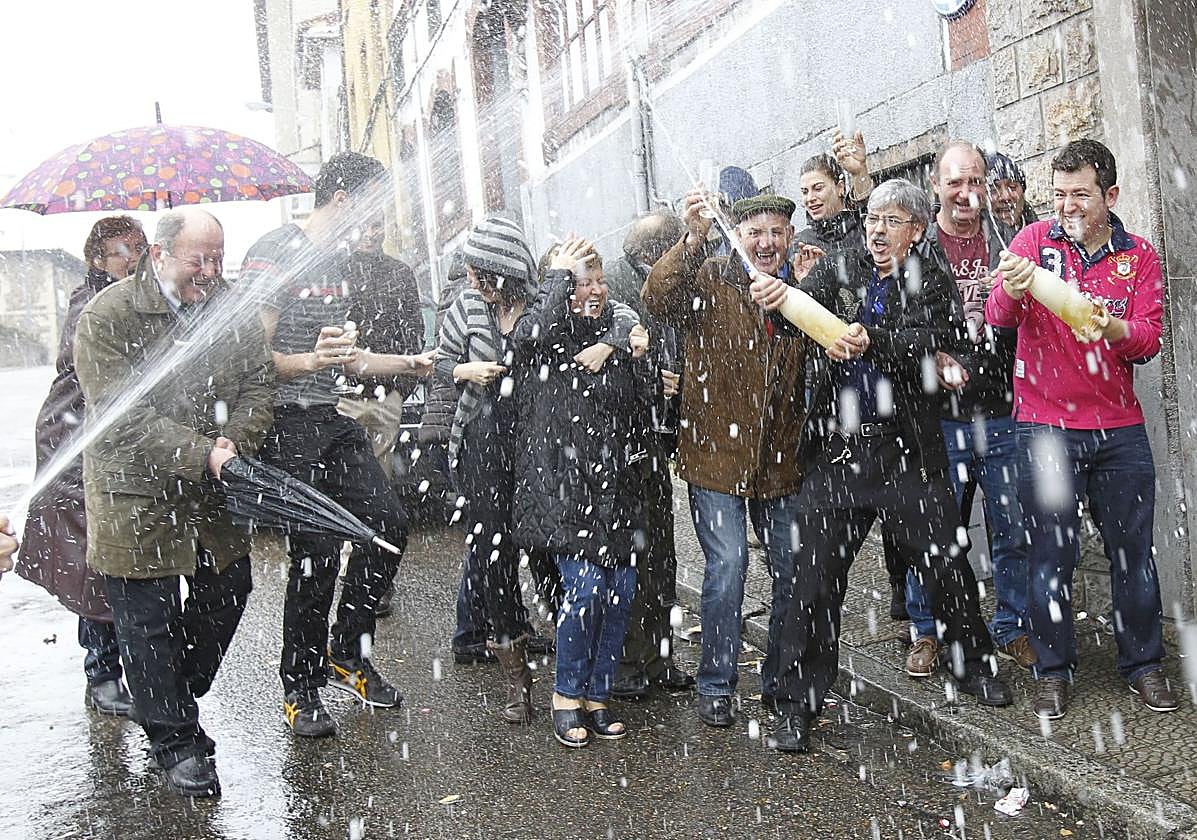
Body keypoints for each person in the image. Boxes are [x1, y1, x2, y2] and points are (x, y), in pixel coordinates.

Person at [765, 179, 1012, 754]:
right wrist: (784, 306)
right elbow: (799, 316)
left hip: (905, 449)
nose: (877, 231)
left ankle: (970, 664)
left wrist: (873, 340)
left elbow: (940, 338)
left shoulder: (931, 276)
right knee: (812, 579)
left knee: (946, 560)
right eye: (873, 218)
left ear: (918, 229)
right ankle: (796, 703)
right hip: (839, 450)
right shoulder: (842, 264)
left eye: (892, 220)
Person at [74, 208, 274, 796]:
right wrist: (203, 452)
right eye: (198, 260)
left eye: (217, 258)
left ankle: (171, 695)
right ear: (158, 256)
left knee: (229, 590)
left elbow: (259, 383)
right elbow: (121, 417)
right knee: (147, 620)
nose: (210, 272)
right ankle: (177, 743)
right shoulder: (107, 316)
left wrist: (235, 438)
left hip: (210, 490)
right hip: (132, 493)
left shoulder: (228, 307)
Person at [242, 152, 434, 738]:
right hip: (286, 422)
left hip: (331, 416)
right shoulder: (275, 251)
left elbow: (347, 358)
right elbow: (251, 356)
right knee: (317, 551)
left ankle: (347, 652)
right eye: (374, 203)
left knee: (387, 526)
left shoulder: (342, 263)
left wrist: (410, 363)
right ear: (346, 200)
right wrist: (308, 362)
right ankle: (299, 685)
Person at [988, 139, 1174, 719]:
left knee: (1133, 554)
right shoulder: (1031, 244)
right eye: (1060, 194)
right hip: (1045, 428)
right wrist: (1013, 289)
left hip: (1119, 430)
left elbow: (1149, 338)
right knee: (1051, 553)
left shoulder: (1138, 257)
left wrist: (1115, 329)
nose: (1067, 206)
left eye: (1081, 196)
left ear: (1110, 195)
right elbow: (998, 317)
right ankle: (1053, 668)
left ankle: (1143, 665)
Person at [643, 192, 807, 727]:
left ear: (788, 236)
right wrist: (691, 240)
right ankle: (717, 681)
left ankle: (781, 683)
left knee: (792, 568)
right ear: (737, 234)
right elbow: (657, 298)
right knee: (729, 566)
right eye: (755, 231)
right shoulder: (709, 277)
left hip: (779, 459)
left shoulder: (799, 285)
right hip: (715, 456)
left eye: (776, 232)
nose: (766, 242)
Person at [509, 236, 655, 748]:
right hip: (561, 491)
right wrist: (559, 274)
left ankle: (598, 693)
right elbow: (526, 338)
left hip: (614, 490)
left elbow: (640, 411)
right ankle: (566, 693)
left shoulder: (613, 337)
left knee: (620, 594)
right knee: (588, 589)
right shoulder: (543, 335)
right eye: (579, 281)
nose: (590, 289)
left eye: (595, 279)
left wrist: (635, 359)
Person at [902, 142, 1035, 678]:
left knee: (1011, 527)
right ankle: (927, 629)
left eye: (974, 181)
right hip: (940, 419)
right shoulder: (917, 249)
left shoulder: (1010, 241)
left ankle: (1014, 626)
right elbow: (899, 330)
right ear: (936, 185)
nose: (965, 192)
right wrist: (930, 353)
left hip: (1003, 412)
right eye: (954, 182)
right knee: (934, 530)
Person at [17, 216, 146, 716]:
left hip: (103, 442)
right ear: (98, 260)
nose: (136, 259)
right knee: (95, 560)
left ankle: (120, 667)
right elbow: (87, 358)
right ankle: (101, 674)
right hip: (73, 443)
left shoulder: (133, 298)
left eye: (141, 248)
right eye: (124, 251)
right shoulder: (90, 303)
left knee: (113, 555)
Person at [603, 212, 697, 699]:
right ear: (651, 254)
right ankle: (628, 661)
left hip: (655, 440)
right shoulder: (616, 286)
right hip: (625, 447)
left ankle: (658, 657)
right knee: (633, 555)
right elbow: (602, 358)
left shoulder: (659, 281)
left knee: (661, 552)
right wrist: (645, 380)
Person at [332, 218, 425, 619]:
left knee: (380, 486)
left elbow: (414, 333)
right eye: (365, 224)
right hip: (344, 397)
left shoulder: (400, 274)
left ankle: (374, 578)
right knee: (348, 486)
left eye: (378, 224)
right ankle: (352, 572)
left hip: (387, 396)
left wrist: (399, 390)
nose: (371, 231)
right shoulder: (334, 273)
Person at [985, 151, 1038, 230]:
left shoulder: (1041, 234)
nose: (1006, 197)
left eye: (1012, 187)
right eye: (994, 189)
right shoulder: (978, 240)